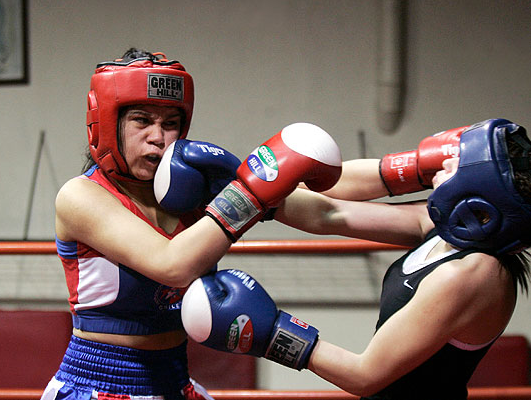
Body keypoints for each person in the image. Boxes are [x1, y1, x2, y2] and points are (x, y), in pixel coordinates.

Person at [41, 48, 344, 400]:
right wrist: (247, 193)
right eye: (142, 120)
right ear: (108, 124)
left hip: (175, 381)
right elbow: (172, 264)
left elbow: (315, 204)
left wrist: (407, 171)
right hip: (99, 385)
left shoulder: (194, 190)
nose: (158, 136)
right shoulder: (80, 196)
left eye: (170, 124)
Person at [180, 118, 531, 400]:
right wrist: (246, 191)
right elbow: (330, 213)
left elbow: (365, 375)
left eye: (462, 166)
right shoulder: (442, 227)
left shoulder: (473, 274)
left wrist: (273, 333)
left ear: (481, 211)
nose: (449, 159)